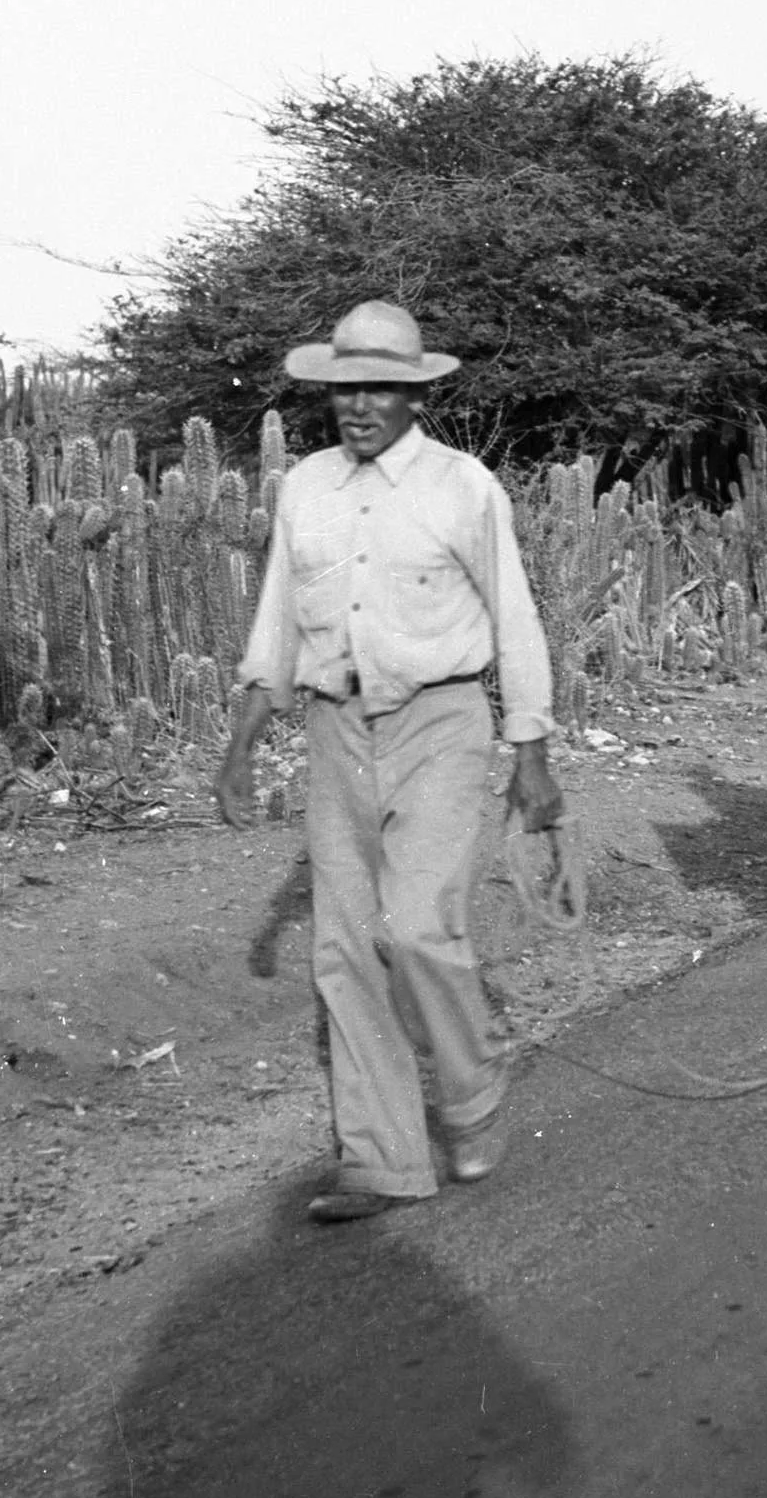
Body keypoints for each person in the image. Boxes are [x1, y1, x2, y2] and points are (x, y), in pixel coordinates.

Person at [216, 301, 566, 1224]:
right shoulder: (307, 490)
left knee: (415, 928)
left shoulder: (463, 487)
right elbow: (278, 620)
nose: (357, 406)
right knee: (342, 948)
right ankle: (384, 1163)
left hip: (444, 723)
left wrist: (532, 751)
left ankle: (474, 1086)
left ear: (415, 397)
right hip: (337, 732)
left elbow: (516, 619)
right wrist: (244, 743)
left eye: (378, 388)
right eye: (343, 389)